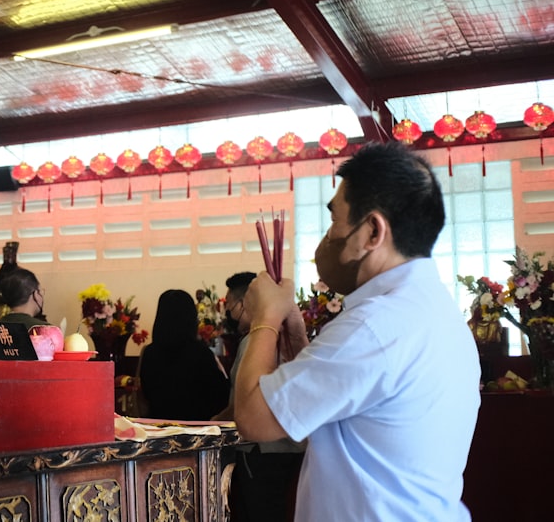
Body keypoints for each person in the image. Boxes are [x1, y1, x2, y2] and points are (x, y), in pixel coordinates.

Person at [234, 142, 480, 522]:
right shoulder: (432, 311)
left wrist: (265, 316)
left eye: (335, 221)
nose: (329, 236)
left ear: (372, 231)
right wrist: (298, 341)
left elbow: (254, 418)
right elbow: (320, 418)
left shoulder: (376, 324)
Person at [215, 271, 304, 522]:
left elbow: (244, 403)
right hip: (291, 444)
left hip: (261, 451)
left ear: (246, 304)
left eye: (230, 306)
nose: (230, 314)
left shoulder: (255, 342)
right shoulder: (284, 337)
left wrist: (210, 423)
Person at [137, 289, 229, 421]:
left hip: (159, 430)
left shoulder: (149, 353)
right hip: (197, 432)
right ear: (191, 318)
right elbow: (221, 397)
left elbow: (147, 394)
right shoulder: (201, 353)